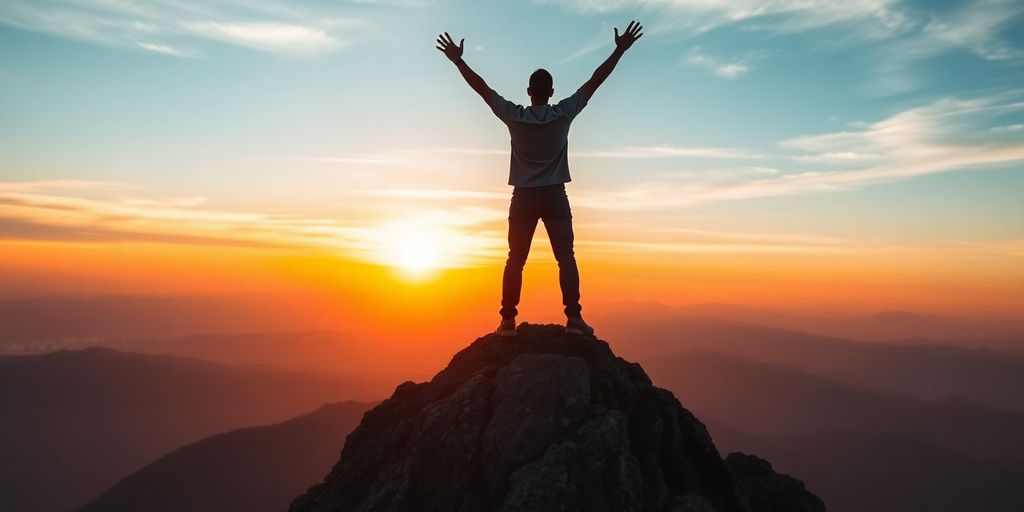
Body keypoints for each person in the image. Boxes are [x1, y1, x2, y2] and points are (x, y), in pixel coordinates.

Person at [436, 21, 643, 338]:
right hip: (554, 195)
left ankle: (507, 322)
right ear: (551, 93)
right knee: (566, 257)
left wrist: (458, 61)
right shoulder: (564, 112)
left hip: (522, 197)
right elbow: (595, 81)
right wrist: (619, 50)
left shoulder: (514, 115)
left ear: (529, 92)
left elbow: (483, 89)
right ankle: (574, 319)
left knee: (515, 259)